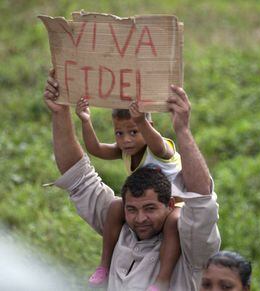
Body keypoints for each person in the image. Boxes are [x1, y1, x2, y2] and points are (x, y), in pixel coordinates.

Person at [43, 68, 220, 291]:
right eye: (132, 209)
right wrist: (61, 111)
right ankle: (103, 266)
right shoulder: (119, 224)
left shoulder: (190, 248)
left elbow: (202, 201)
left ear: (169, 205)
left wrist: (182, 130)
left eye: (150, 208)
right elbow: (77, 177)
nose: (140, 219)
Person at [75, 97, 182, 289]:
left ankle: (162, 279)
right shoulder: (126, 150)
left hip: (174, 205)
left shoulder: (158, 149)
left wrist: (140, 120)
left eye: (134, 132)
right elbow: (95, 149)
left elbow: (156, 141)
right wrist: (85, 120)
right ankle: (104, 266)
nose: (126, 139)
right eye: (119, 133)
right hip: (146, 205)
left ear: (149, 125)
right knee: (116, 206)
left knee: (173, 222)